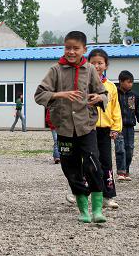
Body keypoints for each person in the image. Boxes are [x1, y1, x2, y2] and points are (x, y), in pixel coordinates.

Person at [35, 31, 108, 223]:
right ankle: (83, 210)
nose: (71, 52)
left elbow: (103, 93)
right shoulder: (55, 70)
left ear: (84, 49)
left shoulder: (91, 69)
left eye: (76, 48)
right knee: (71, 169)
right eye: (68, 47)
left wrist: (99, 98)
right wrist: (60, 95)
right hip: (64, 129)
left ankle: (98, 210)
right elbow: (39, 94)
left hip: (87, 127)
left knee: (93, 164)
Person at [88, 49, 122, 209]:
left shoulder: (111, 87)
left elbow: (116, 109)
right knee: (88, 161)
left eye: (100, 63)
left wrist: (116, 127)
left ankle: (108, 196)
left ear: (106, 65)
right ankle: (79, 191)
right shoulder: (85, 84)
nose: (96, 66)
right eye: (93, 63)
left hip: (105, 130)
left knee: (106, 162)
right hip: (88, 129)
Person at [116, 70, 139, 181]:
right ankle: (121, 172)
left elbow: (138, 110)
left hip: (130, 127)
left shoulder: (133, 96)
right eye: (128, 82)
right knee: (120, 149)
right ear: (121, 82)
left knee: (129, 149)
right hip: (118, 127)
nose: (130, 84)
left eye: (131, 82)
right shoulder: (115, 94)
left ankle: (127, 170)